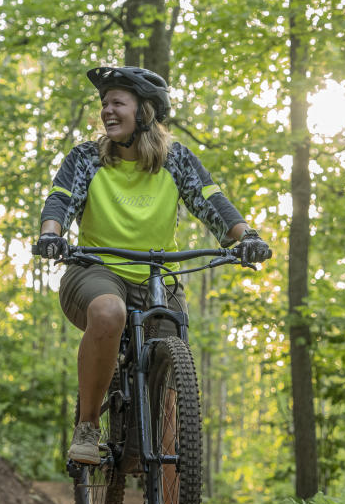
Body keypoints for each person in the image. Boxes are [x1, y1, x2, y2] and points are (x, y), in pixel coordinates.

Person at [34, 65, 271, 464]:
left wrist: (245, 237)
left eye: (117, 103)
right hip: (95, 270)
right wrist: (51, 234)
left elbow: (213, 202)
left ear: (145, 112)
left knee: (171, 417)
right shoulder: (87, 158)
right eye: (104, 104)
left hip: (159, 278)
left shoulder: (176, 160)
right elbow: (60, 199)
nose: (107, 111)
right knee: (109, 312)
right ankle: (88, 427)